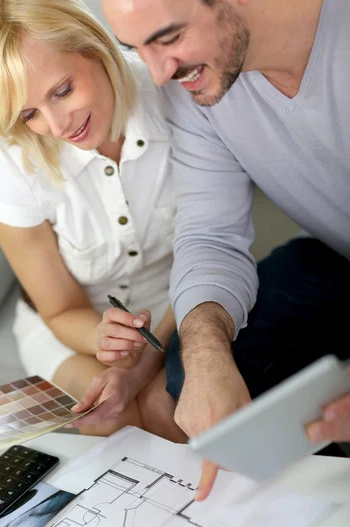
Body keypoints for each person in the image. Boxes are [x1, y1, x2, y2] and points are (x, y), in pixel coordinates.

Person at [86, 0, 350, 498]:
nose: (159, 75)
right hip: (334, 260)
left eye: (166, 38)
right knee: (197, 358)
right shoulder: (197, 88)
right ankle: (307, 510)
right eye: (136, 48)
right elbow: (210, 235)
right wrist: (207, 358)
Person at [0, 0, 184, 441]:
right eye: (29, 114)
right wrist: (101, 337)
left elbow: (209, 248)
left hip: (180, 303)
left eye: (62, 91)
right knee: (113, 422)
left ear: (96, 48)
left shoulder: (171, 94)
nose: (57, 125)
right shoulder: (10, 162)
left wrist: (142, 369)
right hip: (72, 325)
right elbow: (61, 309)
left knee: (169, 411)